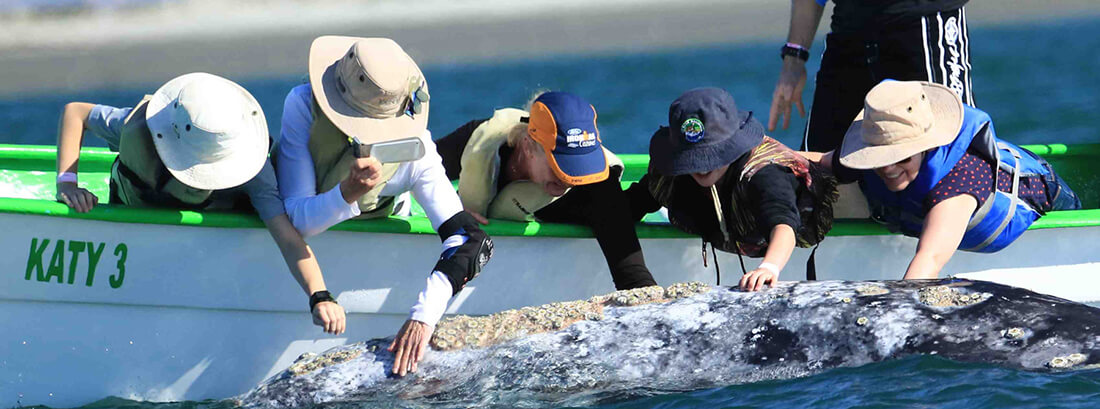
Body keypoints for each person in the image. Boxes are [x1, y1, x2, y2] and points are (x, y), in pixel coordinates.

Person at [54, 72, 348, 335]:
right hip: (135, 231)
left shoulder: (253, 169)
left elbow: (287, 236)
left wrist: (319, 296)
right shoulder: (140, 126)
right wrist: (67, 181)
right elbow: (76, 113)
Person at [275, 36, 493, 376]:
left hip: (387, 212)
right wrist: (346, 193)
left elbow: (472, 240)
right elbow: (298, 221)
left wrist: (424, 316)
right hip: (314, 207)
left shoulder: (416, 148)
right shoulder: (302, 104)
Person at [814, 80, 1081, 279]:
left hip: (1045, 192)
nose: (888, 168)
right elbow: (819, 161)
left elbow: (929, 260)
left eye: (902, 158)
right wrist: (773, 153)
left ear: (925, 148)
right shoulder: (868, 157)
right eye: (879, 158)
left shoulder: (956, 187)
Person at [434, 91, 659, 291]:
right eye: (559, 164)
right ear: (528, 145)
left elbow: (634, 279)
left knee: (624, 207)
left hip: (600, 210)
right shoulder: (480, 139)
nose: (567, 178)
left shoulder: (596, 183)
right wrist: (453, 209)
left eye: (575, 165)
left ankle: (665, 186)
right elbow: (415, 168)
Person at [626, 87, 839, 291]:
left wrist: (769, 267)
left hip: (820, 211)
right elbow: (635, 202)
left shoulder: (764, 174)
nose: (702, 167)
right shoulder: (671, 175)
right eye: (692, 159)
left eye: (712, 155)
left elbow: (783, 224)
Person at [769, 0, 975, 152]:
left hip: (922, 24)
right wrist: (794, 59)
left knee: (948, 154)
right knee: (816, 179)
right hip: (848, 32)